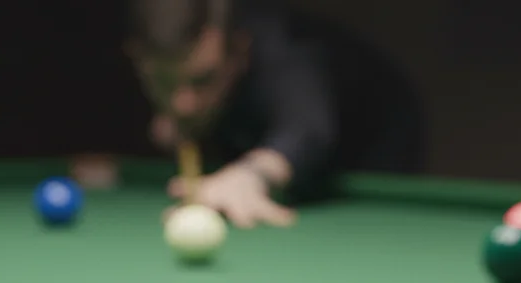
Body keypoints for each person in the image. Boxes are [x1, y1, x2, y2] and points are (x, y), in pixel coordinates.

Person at [123, 0, 425, 228]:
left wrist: (250, 175)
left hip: (378, 130)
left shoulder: (286, 54)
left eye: (202, 80)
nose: (182, 103)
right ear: (138, 60)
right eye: (164, 82)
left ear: (239, 53)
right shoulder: (190, 85)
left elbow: (308, 129)